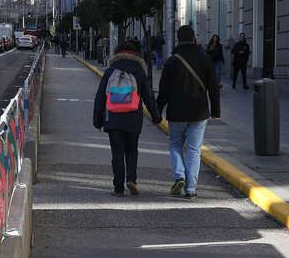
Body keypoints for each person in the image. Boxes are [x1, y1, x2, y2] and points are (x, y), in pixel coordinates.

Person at [157, 25, 222, 198]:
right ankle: (191, 188)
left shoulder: (172, 61)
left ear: (178, 40)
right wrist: (216, 110)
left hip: (176, 112)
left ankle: (179, 176)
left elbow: (163, 90)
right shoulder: (204, 58)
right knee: (194, 150)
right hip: (199, 112)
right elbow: (214, 87)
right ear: (193, 39)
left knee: (175, 144)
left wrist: (157, 111)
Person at [93, 39, 155, 196]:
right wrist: (156, 116)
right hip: (133, 118)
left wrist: (97, 120)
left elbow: (100, 97)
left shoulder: (110, 71)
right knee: (132, 150)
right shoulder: (139, 71)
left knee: (117, 152)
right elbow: (148, 97)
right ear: (135, 54)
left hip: (113, 117)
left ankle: (118, 187)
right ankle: (132, 179)